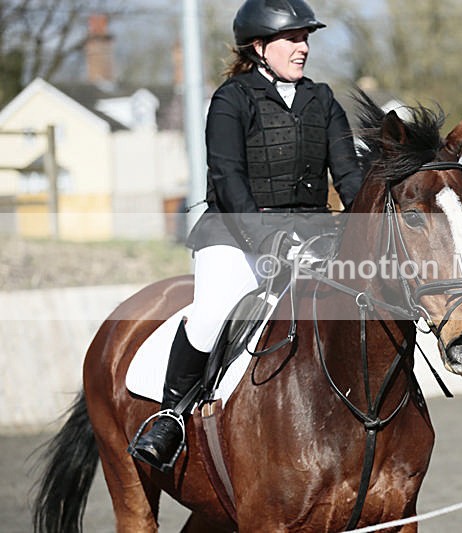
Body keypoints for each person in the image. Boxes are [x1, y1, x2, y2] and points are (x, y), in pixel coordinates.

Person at [129, 0, 363, 472]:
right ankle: (170, 415)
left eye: (306, 38)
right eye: (292, 39)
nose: (303, 48)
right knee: (213, 314)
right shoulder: (232, 99)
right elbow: (228, 178)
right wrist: (266, 238)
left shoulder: (324, 100)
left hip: (312, 237)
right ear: (259, 47)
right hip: (235, 236)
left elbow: (350, 177)